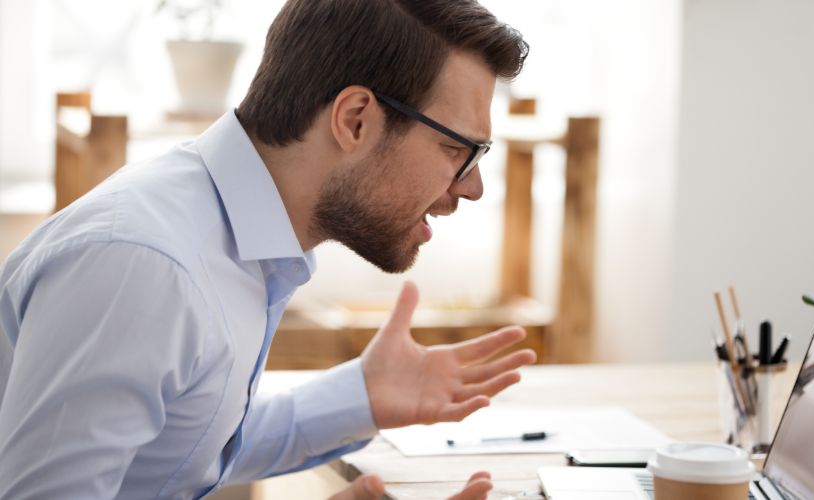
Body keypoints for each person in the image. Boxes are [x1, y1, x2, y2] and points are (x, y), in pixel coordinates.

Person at [0, 0, 533, 499]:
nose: (472, 186)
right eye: (457, 149)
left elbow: (183, 448)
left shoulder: (226, 236)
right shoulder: (144, 267)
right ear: (355, 120)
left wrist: (362, 396)